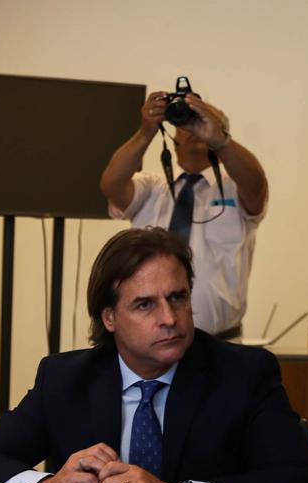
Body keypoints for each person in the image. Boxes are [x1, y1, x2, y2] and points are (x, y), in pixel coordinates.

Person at [0, 227, 308, 483]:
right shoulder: (65, 379)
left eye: (178, 298)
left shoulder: (242, 374)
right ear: (109, 318)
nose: (170, 318)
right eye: (145, 304)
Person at [100, 86, 268, 339]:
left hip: (220, 343)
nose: (195, 128)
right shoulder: (152, 188)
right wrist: (146, 131)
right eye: (187, 120)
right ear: (174, 132)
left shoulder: (235, 186)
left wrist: (220, 140)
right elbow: (111, 185)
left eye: (203, 120)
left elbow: (257, 184)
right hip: (151, 343)